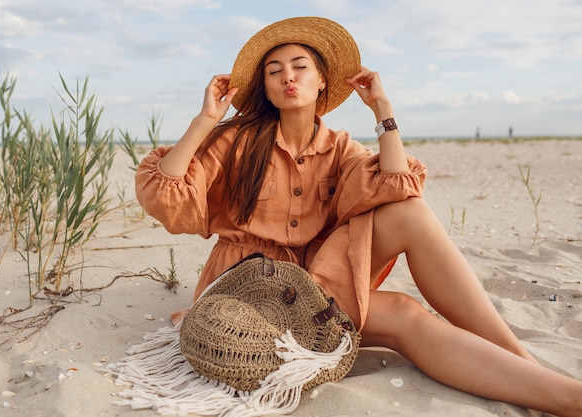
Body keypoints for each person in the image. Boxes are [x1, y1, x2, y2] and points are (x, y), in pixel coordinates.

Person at [135, 17, 582, 417]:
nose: (287, 76)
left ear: (322, 80)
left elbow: (398, 185)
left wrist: (383, 111)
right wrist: (206, 119)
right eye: (274, 71)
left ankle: (520, 362)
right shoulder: (237, 140)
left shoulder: (340, 147)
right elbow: (166, 199)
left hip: (315, 280)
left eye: (299, 66)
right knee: (404, 314)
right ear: (266, 89)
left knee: (410, 211)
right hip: (255, 288)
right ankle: (562, 395)